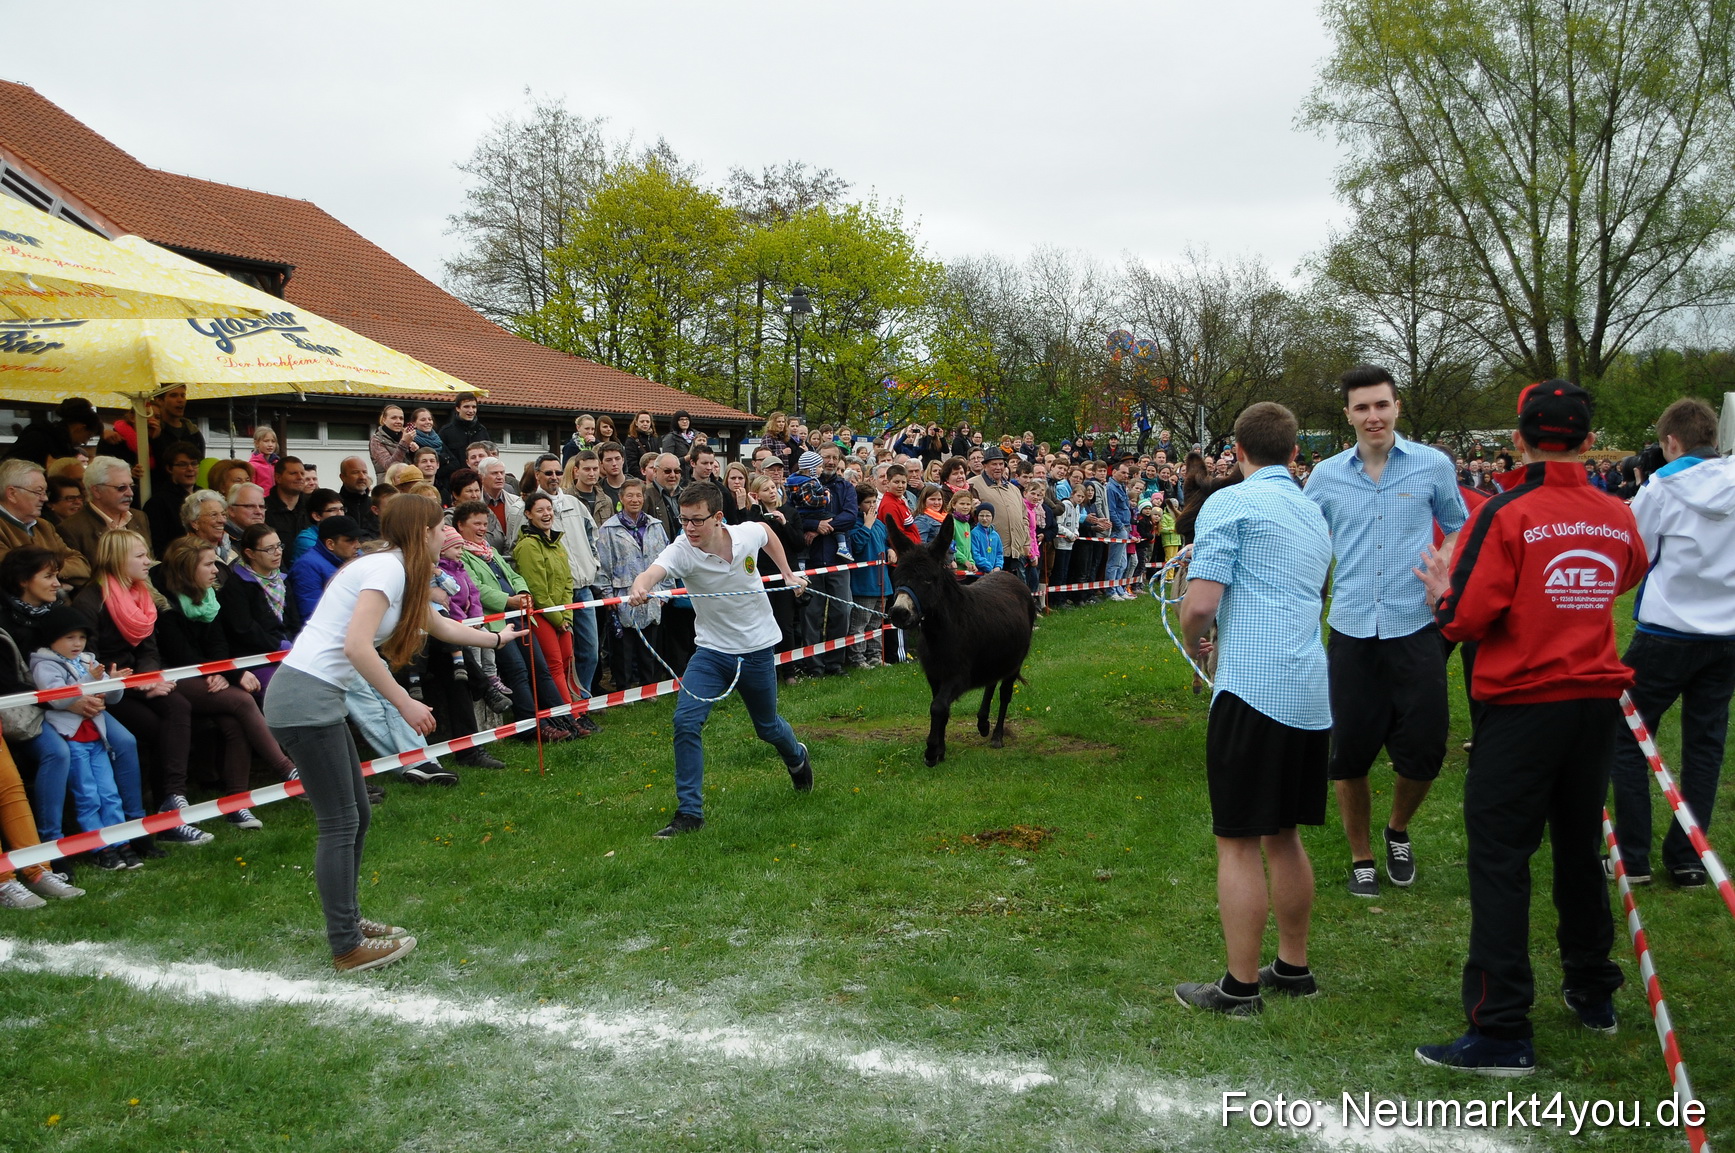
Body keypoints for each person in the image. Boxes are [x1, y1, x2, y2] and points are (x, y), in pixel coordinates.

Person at [1414, 380, 1645, 1074]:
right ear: (1586, 439)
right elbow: (1626, 572)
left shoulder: (1505, 511)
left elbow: (1465, 616)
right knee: (1578, 845)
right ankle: (1592, 988)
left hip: (1522, 703)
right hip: (1593, 701)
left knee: (1500, 857)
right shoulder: (1614, 510)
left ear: (1518, 439)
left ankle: (1501, 1027)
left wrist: (1440, 592)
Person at [264, 495, 525, 972]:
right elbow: (357, 646)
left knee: (356, 815)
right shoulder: (386, 570)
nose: (446, 535)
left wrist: (496, 638)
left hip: (317, 700)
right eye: (440, 527)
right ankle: (346, 945)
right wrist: (404, 701)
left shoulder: (397, 570)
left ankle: (350, 921)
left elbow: (439, 625)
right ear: (421, 532)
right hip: (304, 701)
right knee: (339, 823)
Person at [1175, 401, 1333, 1016]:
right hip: (1308, 689)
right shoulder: (1311, 509)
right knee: (1283, 833)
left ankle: (1240, 987)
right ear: (1294, 453)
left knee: (1238, 839)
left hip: (1254, 687)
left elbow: (1199, 605)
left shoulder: (1230, 503)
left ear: (1237, 453)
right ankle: (1293, 966)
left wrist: (1195, 640)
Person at [1304, 366, 1468, 897]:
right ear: (1348, 415)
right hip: (1352, 629)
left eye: (1381, 405)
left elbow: (1460, 525)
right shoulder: (1325, 476)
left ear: (1397, 407)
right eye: (1362, 407)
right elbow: (1303, 538)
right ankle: (1361, 857)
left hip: (1416, 625)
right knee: (1348, 753)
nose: (1373, 416)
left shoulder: (1431, 465)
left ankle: (1397, 829)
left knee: (1424, 749)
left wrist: (1444, 565)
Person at [627, 481, 810, 837]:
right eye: (684, 520)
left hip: (757, 649)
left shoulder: (744, 535)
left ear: (718, 517)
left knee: (767, 727)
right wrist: (641, 585)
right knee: (685, 722)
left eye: (697, 520)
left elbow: (768, 533)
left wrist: (787, 572)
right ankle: (689, 814)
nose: (690, 528)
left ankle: (797, 757)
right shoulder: (683, 550)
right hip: (711, 653)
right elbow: (655, 570)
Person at [1607, 397, 1735, 889]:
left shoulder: (1660, 486)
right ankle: (1687, 858)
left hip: (1668, 631)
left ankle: (1633, 854)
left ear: (1672, 442)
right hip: (1726, 634)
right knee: (1706, 742)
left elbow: (1636, 551)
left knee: (1626, 731)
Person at [155, 537, 297, 827]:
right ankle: (287, 769)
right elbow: (181, 655)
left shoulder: (210, 597)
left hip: (210, 674)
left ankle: (237, 804)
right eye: (208, 565)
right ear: (187, 569)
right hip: (176, 676)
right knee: (242, 701)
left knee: (234, 724)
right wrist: (224, 673)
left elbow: (220, 644)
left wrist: (223, 671)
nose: (215, 571)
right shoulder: (166, 605)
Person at [452, 501, 581, 742]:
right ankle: (532, 728)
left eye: (485, 524)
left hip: (520, 616)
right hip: (495, 624)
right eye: (476, 524)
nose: (483, 528)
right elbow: (474, 588)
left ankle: (565, 719)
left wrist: (523, 593)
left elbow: (514, 575)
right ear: (460, 525)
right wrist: (508, 600)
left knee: (540, 669)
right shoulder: (461, 554)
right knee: (518, 671)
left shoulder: (489, 550)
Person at [28, 606, 139, 870]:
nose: (77, 643)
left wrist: (113, 684)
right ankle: (99, 847)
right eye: (69, 638)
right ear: (52, 638)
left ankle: (120, 841)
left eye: (81, 637)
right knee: (87, 795)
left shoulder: (88, 660)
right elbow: (58, 699)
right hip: (72, 739)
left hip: (97, 737)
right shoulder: (44, 665)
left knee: (109, 792)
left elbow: (110, 699)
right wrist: (91, 678)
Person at [596, 479, 669, 689]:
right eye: (629, 495)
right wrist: (607, 594)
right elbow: (602, 565)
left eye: (638, 495)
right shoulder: (609, 529)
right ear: (621, 498)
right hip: (623, 594)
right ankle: (624, 688)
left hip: (652, 593)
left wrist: (665, 592)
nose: (635, 500)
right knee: (623, 648)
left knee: (649, 647)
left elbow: (667, 558)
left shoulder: (655, 526)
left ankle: (649, 687)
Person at [792, 448, 858, 678]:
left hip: (838, 559)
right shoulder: (802, 483)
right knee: (811, 614)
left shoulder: (846, 487)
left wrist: (822, 527)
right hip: (810, 559)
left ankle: (834, 663)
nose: (830, 462)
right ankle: (814, 666)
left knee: (842, 611)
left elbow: (850, 516)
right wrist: (813, 525)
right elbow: (793, 515)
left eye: (834, 458)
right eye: (826, 458)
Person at [513, 491, 578, 704]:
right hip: (542, 615)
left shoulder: (557, 543)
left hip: (561, 614)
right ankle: (569, 714)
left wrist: (566, 615)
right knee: (554, 664)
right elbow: (537, 590)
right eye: (540, 510)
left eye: (549, 509)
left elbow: (568, 581)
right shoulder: (528, 546)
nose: (546, 514)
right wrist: (558, 619)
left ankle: (576, 708)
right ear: (528, 514)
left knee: (568, 660)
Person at [219, 524, 301, 693]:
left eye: (279, 546)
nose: (278, 552)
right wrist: (279, 645)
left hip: (288, 653)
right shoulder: (236, 586)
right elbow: (244, 629)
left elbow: (294, 621)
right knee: (287, 689)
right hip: (256, 659)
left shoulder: (282, 580)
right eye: (269, 549)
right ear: (250, 553)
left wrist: (295, 644)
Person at [0, 459, 92, 588]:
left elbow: (82, 565)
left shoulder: (44, 526)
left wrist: (46, 574)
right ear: (12, 494)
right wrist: (59, 580)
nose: (45, 498)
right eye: (38, 492)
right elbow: (14, 572)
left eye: (45, 492)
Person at [56, 455, 151, 567]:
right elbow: (80, 573)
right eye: (121, 488)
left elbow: (150, 562)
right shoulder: (71, 529)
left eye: (131, 486)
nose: (130, 493)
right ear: (96, 491)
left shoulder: (139, 517)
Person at [969, 449, 1031, 584]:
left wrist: (1026, 541)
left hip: (1016, 551)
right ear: (985, 465)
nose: (998, 467)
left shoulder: (1013, 489)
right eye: (994, 464)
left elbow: (1024, 517)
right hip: (990, 554)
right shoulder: (973, 485)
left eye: (1001, 464)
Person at [288, 516, 363, 621]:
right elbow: (312, 614)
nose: (358, 546)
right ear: (330, 544)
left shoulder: (353, 558)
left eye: (357, 540)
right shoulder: (307, 567)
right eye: (350, 541)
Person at [6, 398, 102, 468]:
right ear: (80, 428)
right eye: (88, 436)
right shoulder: (38, 437)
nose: (85, 442)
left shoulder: (62, 445)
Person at [435, 397, 490, 488]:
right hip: (454, 484)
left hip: (480, 484)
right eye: (466, 407)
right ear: (457, 408)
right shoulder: (446, 432)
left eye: (474, 407)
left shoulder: (482, 430)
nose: (471, 410)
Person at [264, 457, 311, 551]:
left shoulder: (312, 506)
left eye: (302, 473)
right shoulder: (263, 509)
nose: (300, 477)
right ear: (278, 478)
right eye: (293, 473)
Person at [369, 404, 419, 482]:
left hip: (407, 483)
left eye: (401, 418)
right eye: (394, 418)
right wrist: (404, 444)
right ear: (384, 420)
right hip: (388, 485)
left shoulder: (404, 436)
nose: (398, 421)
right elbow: (389, 466)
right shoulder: (377, 440)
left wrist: (414, 452)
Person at [337, 457, 378, 537]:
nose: (362, 477)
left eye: (365, 472)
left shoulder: (375, 505)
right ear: (343, 477)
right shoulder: (335, 505)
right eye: (355, 472)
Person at [622, 412, 659, 479]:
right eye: (642, 421)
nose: (645, 424)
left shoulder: (654, 439)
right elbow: (631, 464)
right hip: (639, 479)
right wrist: (644, 478)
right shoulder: (631, 441)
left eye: (647, 421)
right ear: (636, 423)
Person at [969, 504, 1004, 572]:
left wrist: (998, 566)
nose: (984, 518)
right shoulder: (974, 533)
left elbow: (999, 553)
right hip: (979, 573)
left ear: (992, 517)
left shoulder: (995, 535)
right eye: (981, 515)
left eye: (988, 516)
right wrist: (988, 567)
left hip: (994, 572)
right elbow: (975, 554)